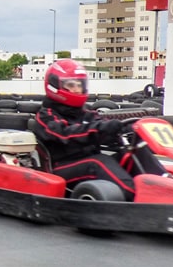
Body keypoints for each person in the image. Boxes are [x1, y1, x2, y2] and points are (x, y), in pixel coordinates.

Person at [30, 59, 136, 201]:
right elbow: (66, 134)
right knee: (98, 162)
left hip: (85, 162)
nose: (76, 89)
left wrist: (123, 130)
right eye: (70, 85)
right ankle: (136, 197)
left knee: (130, 155)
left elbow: (99, 127)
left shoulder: (86, 113)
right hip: (59, 168)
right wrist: (100, 129)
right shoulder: (46, 115)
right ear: (54, 86)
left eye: (79, 85)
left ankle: (162, 188)